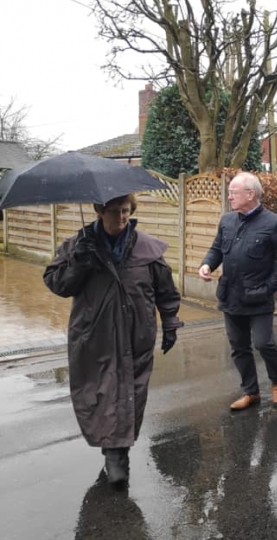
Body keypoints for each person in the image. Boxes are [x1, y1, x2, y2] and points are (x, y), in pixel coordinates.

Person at [44, 194, 183, 485]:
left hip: (137, 336)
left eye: (124, 211)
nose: (120, 218)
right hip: (94, 336)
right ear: (98, 211)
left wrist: (170, 322)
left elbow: (165, 290)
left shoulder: (147, 248)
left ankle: (117, 453)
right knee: (99, 394)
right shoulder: (77, 246)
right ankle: (112, 450)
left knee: (131, 393)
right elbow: (58, 285)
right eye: (113, 212)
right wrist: (79, 263)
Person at [198, 172, 277, 410]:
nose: (230, 196)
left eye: (234, 192)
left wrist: (269, 288)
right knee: (239, 347)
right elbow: (217, 248)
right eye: (230, 192)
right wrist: (207, 263)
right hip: (230, 295)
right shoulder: (227, 221)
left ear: (250, 194)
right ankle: (251, 392)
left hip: (259, 297)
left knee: (263, 343)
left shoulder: (274, 223)